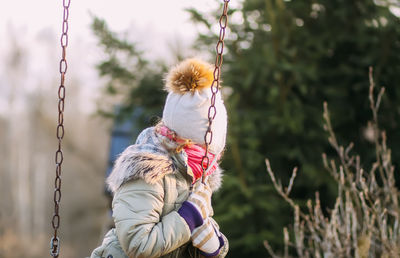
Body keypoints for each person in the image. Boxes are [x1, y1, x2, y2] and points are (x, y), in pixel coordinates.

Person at [90, 58, 229, 258]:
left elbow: (178, 243)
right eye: (208, 149)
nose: (213, 159)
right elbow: (138, 244)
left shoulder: (193, 173)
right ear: (189, 141)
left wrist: (212, 246)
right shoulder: (147, 173)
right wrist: (189, 217)